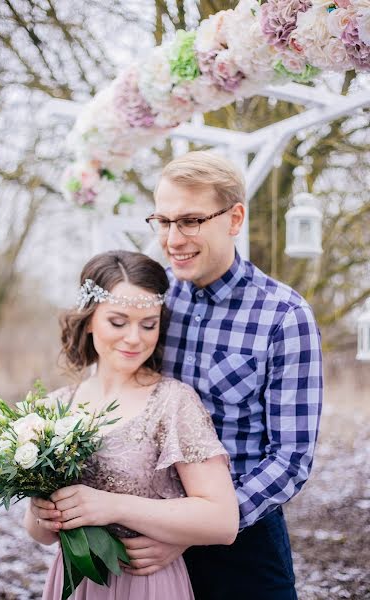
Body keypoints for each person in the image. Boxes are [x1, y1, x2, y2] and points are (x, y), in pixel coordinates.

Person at [120, 150, 322, 600]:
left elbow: (290, 459)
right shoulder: (151, 302)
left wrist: (197, 528)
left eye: (191, 221)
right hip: (144, 540)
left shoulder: (284, 316)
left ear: (234, 219)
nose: (173, 239)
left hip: (243, 547)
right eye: (164, 221)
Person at [25, 250, 238, 600]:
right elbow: (40, 534)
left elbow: (222, 520)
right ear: (90, 319)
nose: (135, 338)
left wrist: (114, 506)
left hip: (146, 585)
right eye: (118, 322)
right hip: (75, 583)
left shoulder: (173, 402)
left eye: (148, 324)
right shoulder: (54, 407)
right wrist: (42, 515)